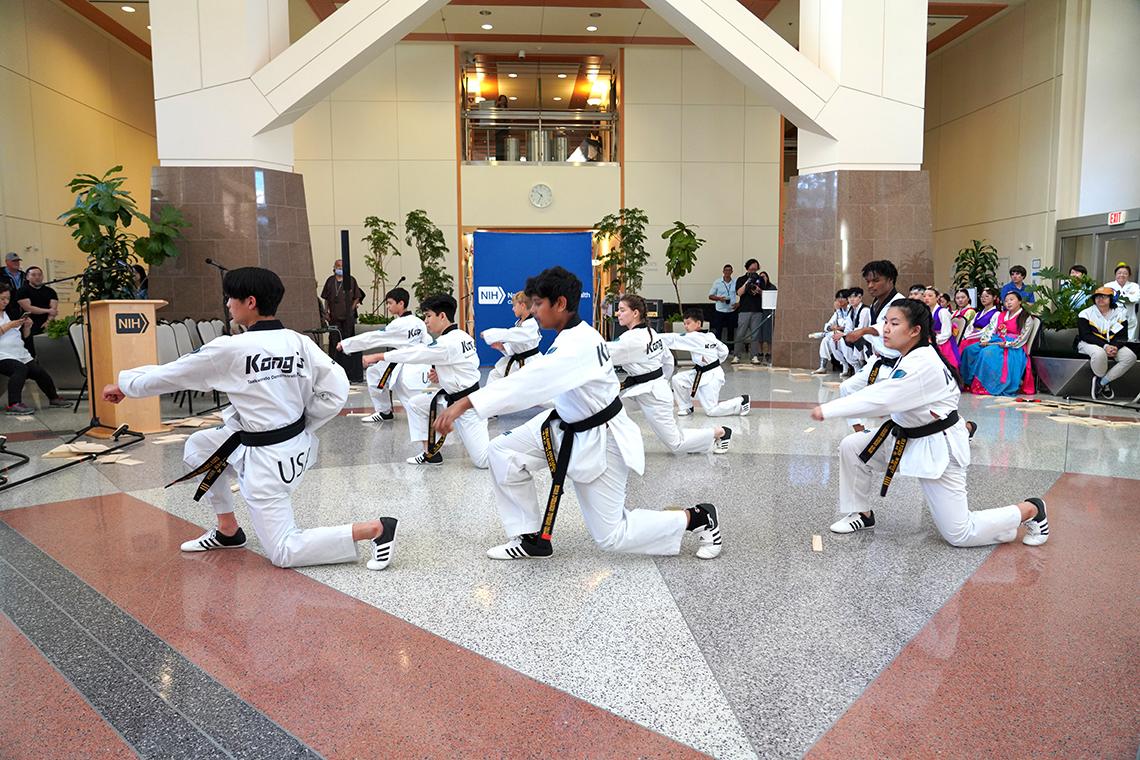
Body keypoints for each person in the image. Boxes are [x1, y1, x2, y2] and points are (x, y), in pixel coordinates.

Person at [101, 267, 399, 570]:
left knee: (284, 551)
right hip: (287, 445)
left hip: (268, 462)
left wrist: (125, 386)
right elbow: (336, 390)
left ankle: (375, 529)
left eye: (231, 298)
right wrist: (301, 423)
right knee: (199, 447)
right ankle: (228, 530)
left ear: (250, 302)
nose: (228, 304)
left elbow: (174, 373)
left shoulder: (231, 348)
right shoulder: (299, 341)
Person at [432, 266, 723, 561]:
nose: (533, 311)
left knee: (612, 535)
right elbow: (541, 377)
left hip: (601, 438)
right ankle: (531, 538)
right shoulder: (575, 334)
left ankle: (697, 517)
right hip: (565, 423)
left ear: (560, 304)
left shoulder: (577, 344)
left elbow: (529, 383)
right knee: (502, 451)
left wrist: (463, 404)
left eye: (537, 304)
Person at [809, 297, 1050, 547]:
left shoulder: (922, 364)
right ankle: (861, 513)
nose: (887, 329)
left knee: (960, 534)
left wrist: (829, 409)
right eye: (886, 322)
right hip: (905, 436)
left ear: (915, 331)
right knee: (853, 446)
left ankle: (1031, 509)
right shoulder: (912, 352)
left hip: (938, 448)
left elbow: (883, 398)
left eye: (894, 323)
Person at [369, 293, 489, 468]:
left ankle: (518, 445)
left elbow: (414, 353)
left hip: (468, 406)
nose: (425, 321)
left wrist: (379, 355)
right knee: (416, 403)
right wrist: (442, 377)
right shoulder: (463, 336)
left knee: (484, 461)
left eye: (428, 316)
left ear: (442, 316)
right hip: (451, 398)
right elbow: (465, 368)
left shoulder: (446, 343)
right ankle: (430, 453)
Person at [608, 294, 732, 455]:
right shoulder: (650, 331)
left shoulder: (632, 339)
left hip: (654, 396)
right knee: (605, 410)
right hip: (643, 389)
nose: (618, 314)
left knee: (676, 444)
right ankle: (610, 448)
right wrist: (660, 381)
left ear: (635, 313)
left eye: (622, 310)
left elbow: (605, 353)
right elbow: (668, 361)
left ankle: (720, 433)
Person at [337, 287, 429, 423]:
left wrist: (346, 344)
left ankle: (426, 414)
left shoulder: (398, 324)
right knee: (374, 372)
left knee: (410, 396)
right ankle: (384, 412)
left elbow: (374, 337)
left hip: (407, 364)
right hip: (408, 360)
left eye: (390, 303)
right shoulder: (419, 322)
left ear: (401, 304)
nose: (388, 307)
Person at [840, 260, 907, 432]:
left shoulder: (901, 303)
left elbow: (888, 328)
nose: (870, 285)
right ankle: (860, 433)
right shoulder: (876, 304)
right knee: (847, 388)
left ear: (890, 280)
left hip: (899, 365)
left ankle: (962, 427)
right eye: (868, 281)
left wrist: (862, 331)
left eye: (876, 280)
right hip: (878, 361)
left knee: (918, 412)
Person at [663, 308, 750, 417]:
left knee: (712, 411)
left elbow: (674, 338)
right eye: (684, 323)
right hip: (702, 372)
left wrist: (651, 337)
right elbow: (724, 351)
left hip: (711, 376)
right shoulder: (709, 336)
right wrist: (714, 362)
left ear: (698, 323)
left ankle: (742, 401)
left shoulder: (694, 337)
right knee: (678, 379)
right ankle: (686, 407)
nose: (685, 326)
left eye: (688, 323)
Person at [0, 283, 71, 414]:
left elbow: (25, 336)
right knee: (20, 369)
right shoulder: (8, 319)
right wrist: (10, 325)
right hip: (2, 355)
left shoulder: (9, 313)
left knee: (39, 372)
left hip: (19, 353)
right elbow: (6, 329)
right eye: (2, 298)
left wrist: (27, 327)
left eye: (7, 298)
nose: (6, 302)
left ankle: (54, 398)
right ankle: (13, 404)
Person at [958, 290, 1034, 396]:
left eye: (1011, 300)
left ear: (1019, 301)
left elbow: (1023, 338)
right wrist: (985, 339)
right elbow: (991, 329)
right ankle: (967, 381)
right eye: (1006, 301)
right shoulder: (1001, 315)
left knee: (987, 353)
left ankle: (987, 385)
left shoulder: (1026, 317)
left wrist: (1008, 344)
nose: (1008, 303)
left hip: (1014, 346)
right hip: (996, 340)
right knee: (969, 350)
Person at [1077, 287, 1136, 400]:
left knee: (1130, 357)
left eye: (1104, 297)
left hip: (1112, 344)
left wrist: (1115, 346)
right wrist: (1105, 346)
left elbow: (1123, 336)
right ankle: (1102, 379)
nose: (1100, 299)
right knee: (1100, 354)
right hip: (1088, 343)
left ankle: (1102, 382)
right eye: (1097, 297)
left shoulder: (1120, 314)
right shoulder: (1085, 313)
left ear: (1111, 299)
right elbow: (1086, 335)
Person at [482, 290, 542, 383]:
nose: (513, 309)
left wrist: (488, 334)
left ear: (522, 305)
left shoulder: (530, 325)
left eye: (514, 306)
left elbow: (510, 334)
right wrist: (502, 347)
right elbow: (517, 342)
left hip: (530, 363)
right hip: (519, 361)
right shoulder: (519, 323)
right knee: (495, 375)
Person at [319, 259, 365, 352]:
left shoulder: (351, 280)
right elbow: (326, 298)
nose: (340, 268)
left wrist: (351, 309)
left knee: (347, 339)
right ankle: (334, 359)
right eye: (338, 266)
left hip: (348, 317)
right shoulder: (330, 280)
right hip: (334, 317)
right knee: (334, 339)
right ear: (334, 268)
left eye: (342, 267)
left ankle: (347, 361)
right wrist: (326, 312)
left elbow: (357, 297)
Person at [16, 266, 59, 356]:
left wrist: (48, 321)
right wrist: (48, 310)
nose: (37, 277)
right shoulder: (22, 291)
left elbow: (54, 309)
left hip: (48, 324)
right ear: (27, 277)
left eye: (39, 275)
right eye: (33, 275)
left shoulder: (50, 291)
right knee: (31, 351)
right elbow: (29, 308)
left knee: (48, 351)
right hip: (29, 324)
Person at [813, 289, 852, 375]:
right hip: (835, 334)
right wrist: (831, 327)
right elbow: (827, 326)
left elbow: (848, 326)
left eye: (842, 298)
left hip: (848, 335)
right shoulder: (838, 312)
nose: (840, 300)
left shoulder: (851, 310)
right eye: (838, 298)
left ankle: (847, 366)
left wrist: (837, 328)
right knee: (826, 340)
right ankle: (823, 366)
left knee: (830, 336)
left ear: (847, 299)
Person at [734, 259, 765, 364]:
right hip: (744, 310)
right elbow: (739, 293)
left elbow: (764, 294)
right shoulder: (741, 279)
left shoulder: (760, 279)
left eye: (755, 269)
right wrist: (747, 282)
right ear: (747, 268)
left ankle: (754, 356)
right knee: (740, 333)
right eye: (751, 269)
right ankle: (736, 355)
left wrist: (758, 289)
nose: (753, 271)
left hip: (757, 310)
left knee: (755, 334)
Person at [924, 287, 958, 368]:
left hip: (943, 342)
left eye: (930, 296)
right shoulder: (927, 312)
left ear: (937, 297)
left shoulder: (943, 312)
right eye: (924, 296)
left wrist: (934, 340)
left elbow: (947, 333)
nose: (926, 298)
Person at [1104, 264, 1140, 341]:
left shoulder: (1134, 286)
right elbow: (1104, 300)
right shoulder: (1108, 286)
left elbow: (1136, 298)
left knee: (1129, 341)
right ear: (1115, 274)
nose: (1122, 275)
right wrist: (1127, 297)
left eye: (1125, 273)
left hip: (1129, 317)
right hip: (1112, 318)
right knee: (1111, 340)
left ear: (1129, 275)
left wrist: (1119, 298)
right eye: (1119, 273)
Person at [707, 264, 737, 346]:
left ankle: (730, 348)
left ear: (732, 272)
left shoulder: (735, 282)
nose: (727, 272)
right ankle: (717, 347)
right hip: (720, 310)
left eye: (729, 270)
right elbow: (710, 296)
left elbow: (741, 294)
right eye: (726, 270)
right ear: (723, 272)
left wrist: (738, 304)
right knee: (718, 330)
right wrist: (719, 299)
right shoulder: (717, 282)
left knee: (731, 330)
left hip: (731, 310)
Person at [755, 270, 777, 361]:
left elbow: (773, 297)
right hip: (759, 311)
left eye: (764, 276)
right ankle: (759, 351)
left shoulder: (771, 287)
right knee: (759, 333)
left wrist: (762, 292)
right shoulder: (755, 287)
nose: (763, 278)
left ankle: (769, 351)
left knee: (769, 332)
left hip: (768, 312)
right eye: (761, 277)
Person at [2, 253, 26, 319]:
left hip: (21, 310)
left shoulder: (24, 275)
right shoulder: (1, 274)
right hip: (5, 309)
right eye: (14, 261)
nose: (17, 263)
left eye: (18, 261)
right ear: (7, 262)